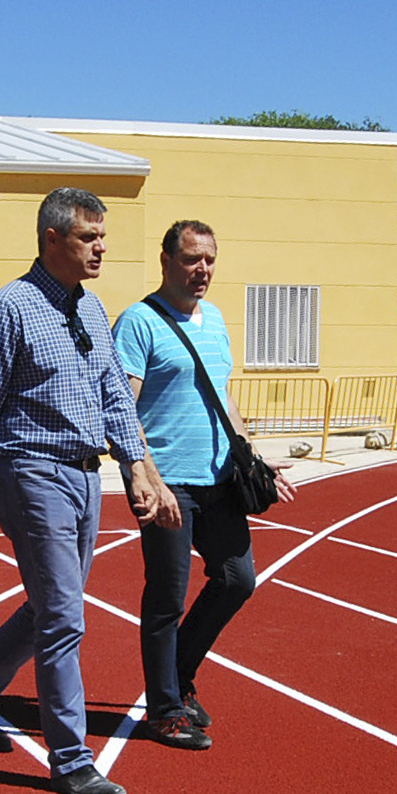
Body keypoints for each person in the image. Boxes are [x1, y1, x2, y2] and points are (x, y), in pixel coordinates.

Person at [0, 188, 180, 794]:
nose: (100, 248)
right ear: (52, 239)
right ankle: (72, 759)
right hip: (31, 471)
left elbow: (114, 395)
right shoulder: (10, 309)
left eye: (103, 237)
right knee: (63, 618)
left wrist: (136, 467)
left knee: (50, 608)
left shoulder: (92, 310)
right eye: (88, 237)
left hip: (83, 475)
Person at [111, 221, 295, 747]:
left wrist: (252, 458)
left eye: (210, 260)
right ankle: (165, 709)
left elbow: (224, 397)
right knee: (167, 598)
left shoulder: (213, 320)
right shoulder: (139, 322)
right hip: (168, 483)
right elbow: (122, 407)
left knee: (237, 579)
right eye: (192, 259)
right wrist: (144, 476)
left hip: (219, 479)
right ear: (166, 261)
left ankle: (177, 675)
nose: (203, 270)